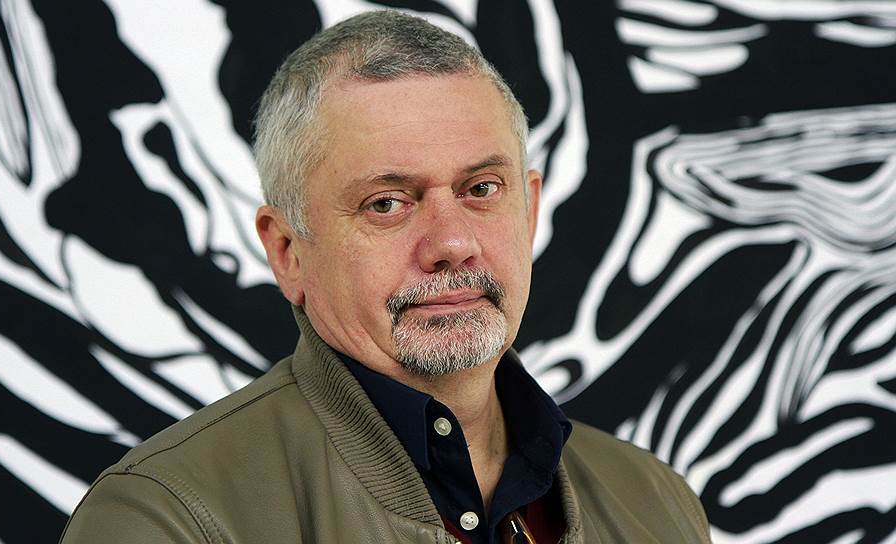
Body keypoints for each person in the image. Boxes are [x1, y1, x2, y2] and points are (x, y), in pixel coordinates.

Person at [60, 10, 711, 544]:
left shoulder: (656, 504)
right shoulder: (166, 519)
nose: (452, 244)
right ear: (287, 251)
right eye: (387, 203)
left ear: (530, 210)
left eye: (482, 189)